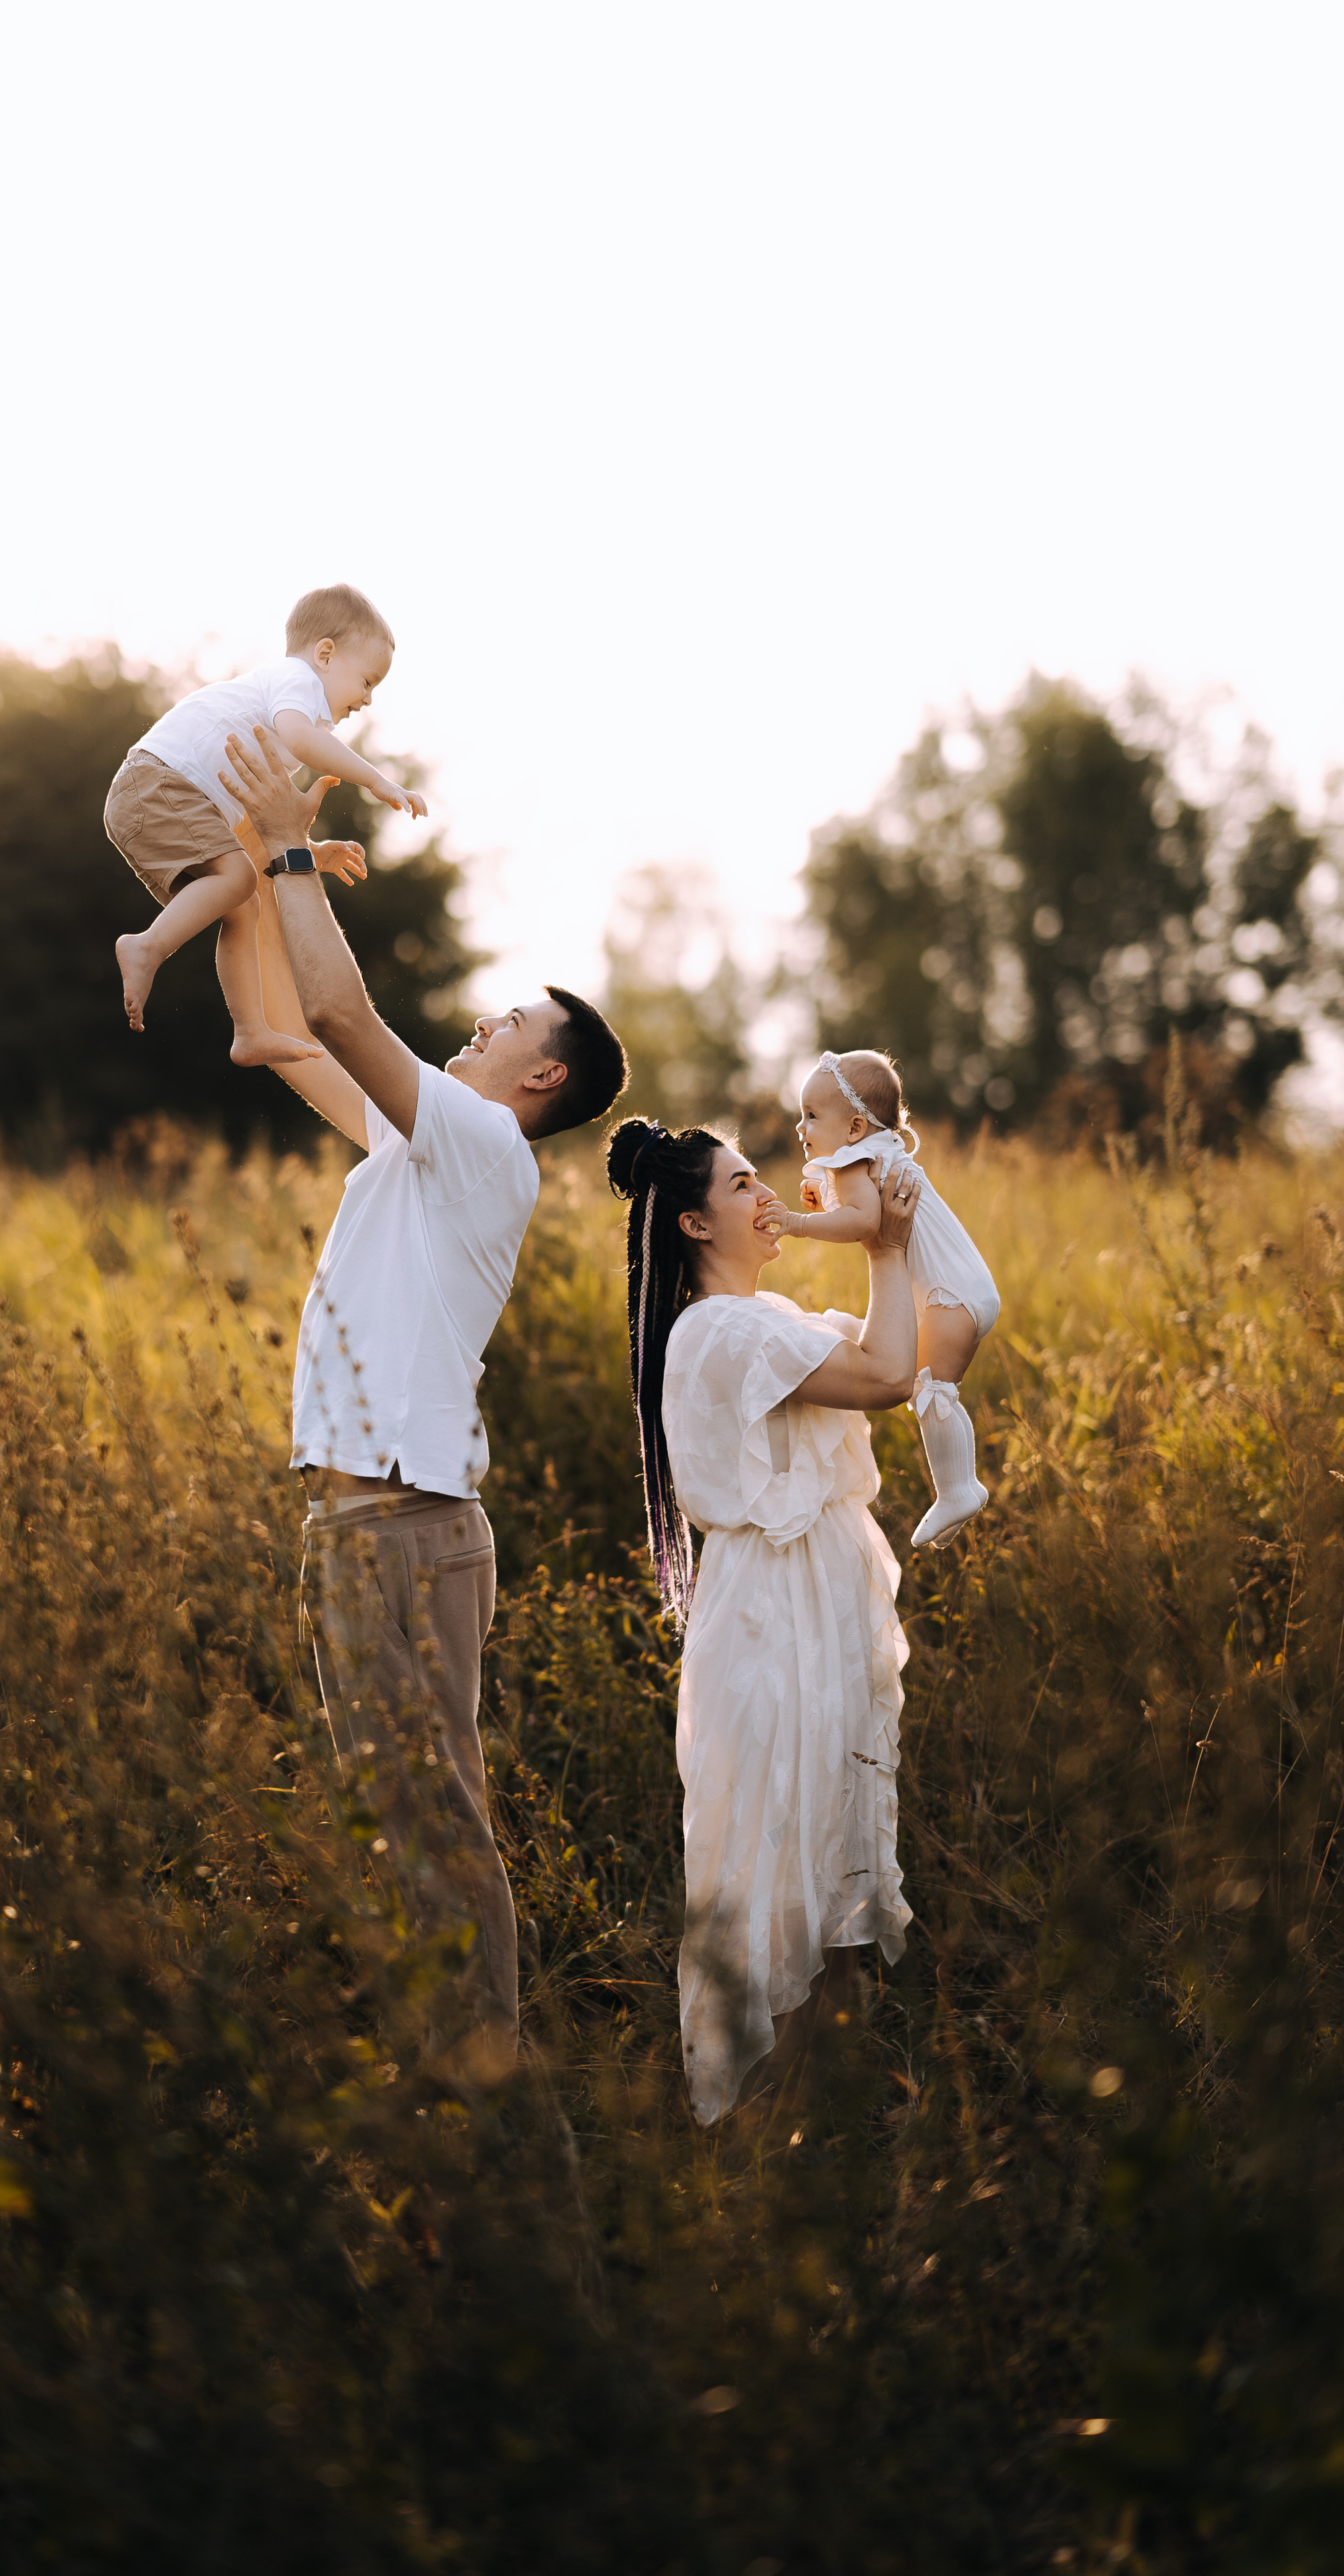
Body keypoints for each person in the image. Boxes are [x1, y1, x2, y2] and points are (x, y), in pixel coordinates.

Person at [220, 720, 628, 2076]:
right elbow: (287, 1038)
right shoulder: (421, 1141)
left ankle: (480, 2090)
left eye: (504, 1021)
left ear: (539, 1079)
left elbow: (342, 1014)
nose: (476, 1021)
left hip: (402, 1528)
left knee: (433, 1814)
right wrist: (247, 871)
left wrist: (289, 851)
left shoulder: (481, 1146)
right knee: (391, 1816)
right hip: (357, 1526)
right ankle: (430, 2076)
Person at [607, 1114, 921, 2125]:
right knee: (782, 1843)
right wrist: (885, 1245)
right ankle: (774, 2116)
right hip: (775, 1612)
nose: (768, 1194)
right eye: (744, 1185)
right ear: (698, 1223)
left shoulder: (756, 1318)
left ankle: (817, 2109)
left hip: (792, 1597)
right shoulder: (728, 1331)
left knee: (808, 1836)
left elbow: (905, 1355)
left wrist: (899, 1238)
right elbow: (885, 1377)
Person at [103, 583, 428, 1045]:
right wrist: (375, 779)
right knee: (237, 881)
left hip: (165, 797)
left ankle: (251, 1032)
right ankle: (146, 946)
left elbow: (261, 815)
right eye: (368, 681)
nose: (369, 699)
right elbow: (302, 738)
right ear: (326, 654)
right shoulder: (296, 681)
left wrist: (310, 852)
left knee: (243, 903)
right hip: (157, 784)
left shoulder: (282, 718)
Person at [767, 1049, 999, 1550]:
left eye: (811, 1115)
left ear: (853, 1127)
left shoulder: (853, 1159)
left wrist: (798, 1223)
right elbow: (858, 1206)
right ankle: (958, 1487)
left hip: (946, 1296)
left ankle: (958, 1488)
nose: (800, 1127)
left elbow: (863, 1222)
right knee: (929, 1384)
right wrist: (826, 1199)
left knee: (929, 1388)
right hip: (965, 1288)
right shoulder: (880, 1151)